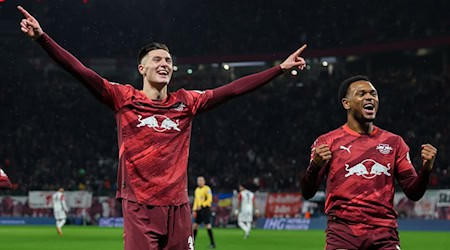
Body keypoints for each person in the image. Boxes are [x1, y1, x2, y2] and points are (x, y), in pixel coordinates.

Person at [17, 5, 307, 250]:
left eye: (168, 60)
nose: (164, 64)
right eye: (157, 59)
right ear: (141, 68)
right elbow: (80, 72)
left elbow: (232, 90)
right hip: (140, 206)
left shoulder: (187, 102)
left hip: (178, 207)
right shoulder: (123, 98)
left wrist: (278, 69)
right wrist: (42, 38)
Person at [301, 75, 437, 250]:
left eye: (373, 94)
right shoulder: (327, 142)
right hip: (343, 235)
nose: (369, 97)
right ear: (346, 103)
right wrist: (315, 166)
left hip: (384, 236)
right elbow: (307, 192)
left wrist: (426, 170)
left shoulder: (394, 142)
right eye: (361, 94)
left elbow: (413, 192)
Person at [192, 176, 216, 248]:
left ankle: (212, 243)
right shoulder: (196, 190)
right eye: (198, 180)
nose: (199, 182)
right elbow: (196, 200)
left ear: (204, 181)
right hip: (198, 210)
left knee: (207, 225)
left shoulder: (207, 189)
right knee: (195, 226)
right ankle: (192, 243)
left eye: (201, 180)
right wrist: (194, 209)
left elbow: (210, 200)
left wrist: (202, 205)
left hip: (205, 209)